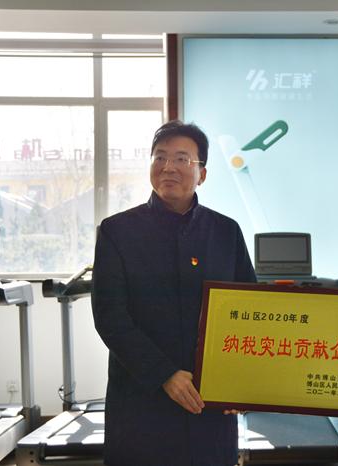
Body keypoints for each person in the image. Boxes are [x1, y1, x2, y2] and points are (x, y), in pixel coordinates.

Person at [92, 120, 257, 465]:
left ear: (202, 174)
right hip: (141, 401)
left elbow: (250, 312)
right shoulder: (117, 232)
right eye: (160, 157)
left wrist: (240, 383)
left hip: (209, 402)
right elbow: (110, 317)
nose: (169, 167)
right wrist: (164, 374)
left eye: (182, 159)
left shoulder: (226, 232)